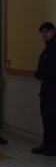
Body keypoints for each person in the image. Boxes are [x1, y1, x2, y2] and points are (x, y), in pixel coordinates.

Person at [33, 22, 56, 156]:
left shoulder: (53, 48)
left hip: (53, 89)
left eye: (47, 31)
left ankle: (52, 146)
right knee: (46, 117)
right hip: (46, 89)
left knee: (52, 118)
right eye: (43, 31)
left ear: (53, 31)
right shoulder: (48, 48)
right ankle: (46, 144)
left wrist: (40, 74)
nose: (45, 34)